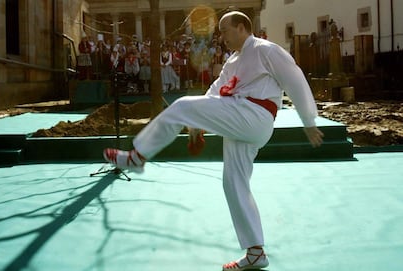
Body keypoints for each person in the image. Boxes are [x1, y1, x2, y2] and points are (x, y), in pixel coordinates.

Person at [103, 11, 324, 271]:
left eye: (225, 30)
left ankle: (136, 157)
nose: (221, 37)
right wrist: (198, 125)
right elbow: (216, 91)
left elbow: (294, 78)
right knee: (234, 183)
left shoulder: (266, 49)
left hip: (254, 115)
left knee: (182, 105)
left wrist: (309, 121)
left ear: (242, 28)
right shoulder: (232, 61)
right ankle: (256, 252)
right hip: (241, 121)